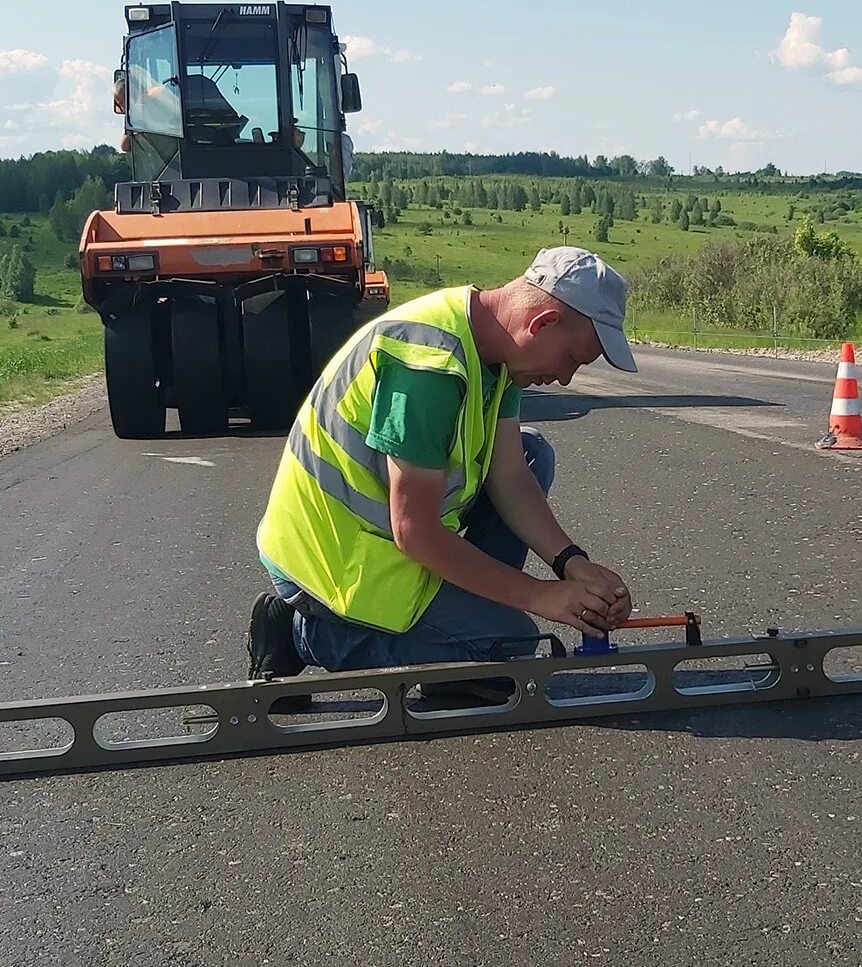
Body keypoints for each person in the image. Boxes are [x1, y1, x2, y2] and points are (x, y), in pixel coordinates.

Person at [251, 246, 639, 682]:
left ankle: (468, 615)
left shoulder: (497, 350)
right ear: (542, 324)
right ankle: (302, 633)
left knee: (532, 455)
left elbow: (510, 473)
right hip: (333, 570)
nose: (567, 379)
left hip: (394, 544)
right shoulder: (428, 364)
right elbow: (414, 530)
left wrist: (571, 563)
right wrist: (540, 596)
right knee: (509, 655)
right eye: (573, 360)